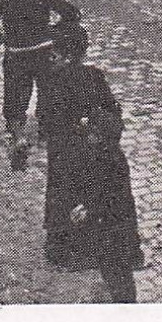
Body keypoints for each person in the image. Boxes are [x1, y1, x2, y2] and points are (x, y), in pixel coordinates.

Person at [0, 0, 81, 170]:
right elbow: (72, 14)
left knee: (15, 95)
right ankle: (46, 130)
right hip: (43, 52)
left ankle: (18, 135)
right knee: (47, 91)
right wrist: (54, 32)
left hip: (17, 54)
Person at [36, 23, 121, 267]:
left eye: (55, 51)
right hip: (89, 149)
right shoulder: (94, 76)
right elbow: (111, 109)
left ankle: (61, 245)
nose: (50, 55)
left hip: (64, 150)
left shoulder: (51, 80)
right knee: (89, 191)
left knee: (63, 193)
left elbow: (45, 117)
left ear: (65, 54)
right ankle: (89, 244)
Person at [65, 106, 144, 303]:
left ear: (101, 137)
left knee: (118, 275)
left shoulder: (110, 162)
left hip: (115, 233)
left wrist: (88, 210)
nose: (87, 135)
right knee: (114, 272)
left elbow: (110, 200)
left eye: (91, 132)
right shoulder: (105, 157)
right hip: (112, 230)